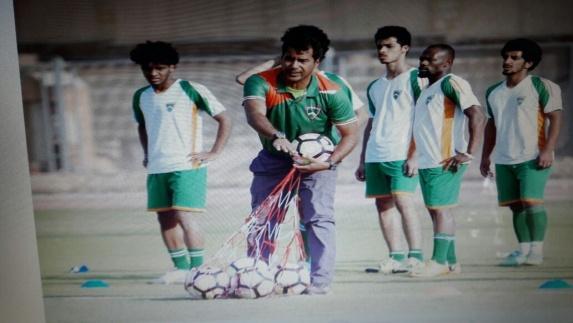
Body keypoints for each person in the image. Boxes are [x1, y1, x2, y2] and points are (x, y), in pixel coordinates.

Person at [242, 25, 359, 294]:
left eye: (302, 60)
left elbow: (350, 134)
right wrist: (275, 135)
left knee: (319, 218)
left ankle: (319, 283)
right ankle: (258, 276)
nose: (294, 65)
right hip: (273, 158)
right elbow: (254, 114)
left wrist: (328, 163)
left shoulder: (332, 90)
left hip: (316, 163)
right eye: (289, 57)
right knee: (263, 219)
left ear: (317, 62)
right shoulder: (260, 81)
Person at [130, 41, 231, 284]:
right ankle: (180, 269)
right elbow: (143, 126)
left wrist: (215, 152)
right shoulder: (140, 96)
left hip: (187, 165)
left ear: (173, 67)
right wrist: (147, 154)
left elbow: (224, 119)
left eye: (160, 68)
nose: (153, 73)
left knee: (185, 216)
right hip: (157, 167)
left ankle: (198, 270)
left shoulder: (190, 89)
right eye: (148, 68)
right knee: (164, 218)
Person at [480, 39, 562, 266]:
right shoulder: (493, 92)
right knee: (515, 205)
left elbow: (555, 118)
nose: (507, 61)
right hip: (504, 158)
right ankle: (522, 251)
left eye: (514, 57)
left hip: (533, 156)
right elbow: (491, 125)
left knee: (531, 201)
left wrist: (548, 149)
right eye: (506, 56)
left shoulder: (542, 86)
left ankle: (537, 251)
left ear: (529, 62)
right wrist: (486, 155)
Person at [355, 26, 427, 274]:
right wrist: (363, 159)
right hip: (377, 154)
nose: (382, 51)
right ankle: (395, 257)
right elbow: (372, 123)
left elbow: (424, 119)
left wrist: (415, 154)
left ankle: (415, 257)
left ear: (404, 48)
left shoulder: (418, 79)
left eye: (389, 46)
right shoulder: (375, 86)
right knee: (383, 205)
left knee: (404, 202)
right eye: (379, 46)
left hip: (402, 153)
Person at [410, 44, 485, 277]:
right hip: (428, 159)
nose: (423, 63)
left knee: (442, 211)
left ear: (446, 64)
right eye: (422, 59)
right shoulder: (427, 89)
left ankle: (439, 262)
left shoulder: (451, 83)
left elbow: (477, 115)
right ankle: (451, 263)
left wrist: (468, 152)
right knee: (436, 211)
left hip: (445, 159)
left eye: (429, 60)